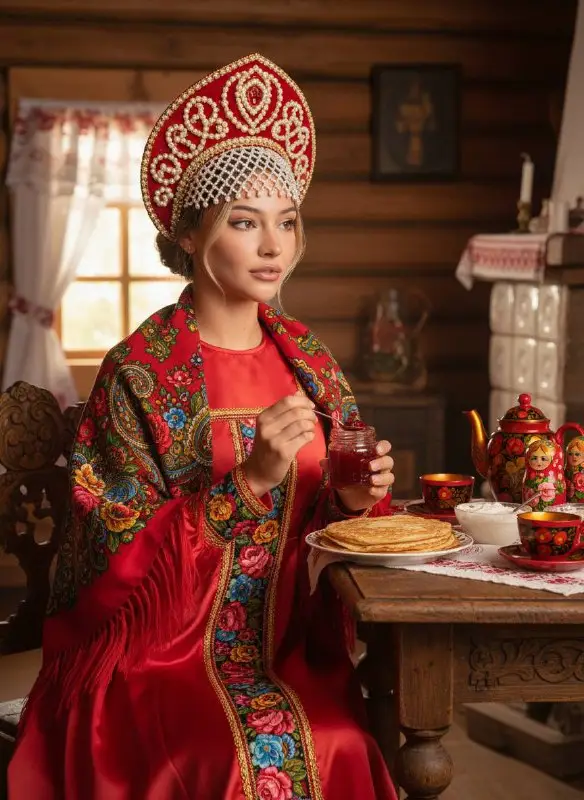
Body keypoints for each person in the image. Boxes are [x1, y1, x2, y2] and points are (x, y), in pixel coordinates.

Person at [8, 53, 398, 800]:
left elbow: (336, 517)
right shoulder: (141, 371)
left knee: (341, 741)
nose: (273, 246)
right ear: (191, 236)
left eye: (286, 223)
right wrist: (248, 483)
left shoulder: (309, 360)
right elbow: (108, 548)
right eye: (244, 223)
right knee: (233, 761)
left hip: (285, 646)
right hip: (157, 656)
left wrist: (356, 499)